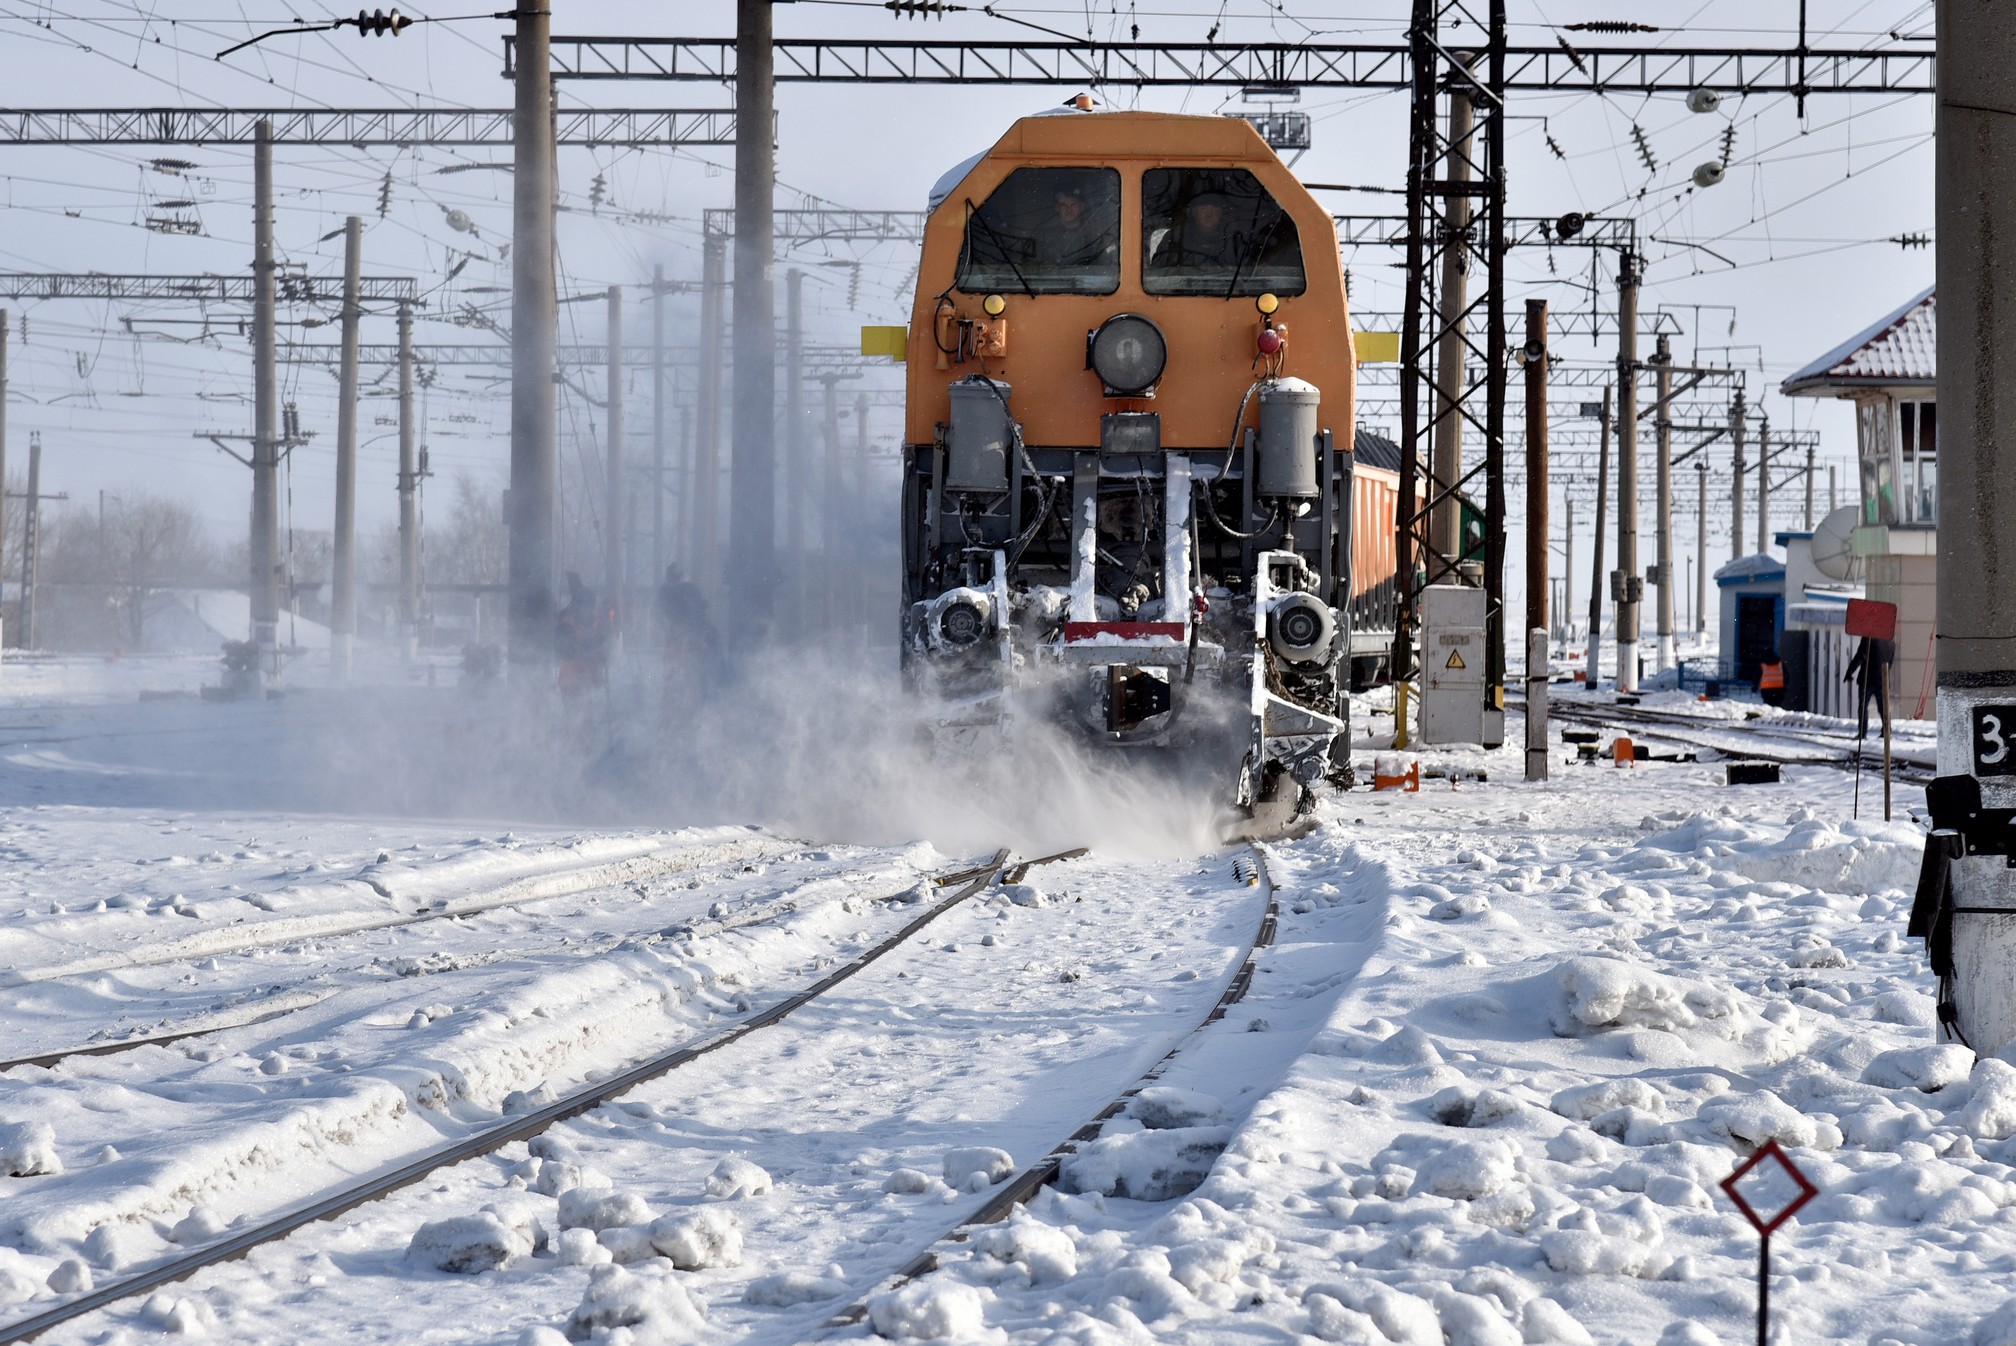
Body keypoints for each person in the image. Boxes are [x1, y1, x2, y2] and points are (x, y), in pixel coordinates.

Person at [554, 571, 610, 698]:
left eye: (590, 605)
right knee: (576, 716)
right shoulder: (566, 624)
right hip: (571, 683)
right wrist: (588, 647)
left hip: (588, 682)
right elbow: (563, 650)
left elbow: (602, 646)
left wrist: (601, 653)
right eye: (585, 605)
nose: (588, 610)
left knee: (586, 716)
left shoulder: (595, 623)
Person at [1036, 182, 1112, 268]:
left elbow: (1104, 265)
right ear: (1057, 208)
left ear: (1082, 207)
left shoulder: (1094, 235)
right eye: (1063, 205)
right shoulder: (1046, 235)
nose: (1069, 210)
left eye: (1073, 205)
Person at [1152, 193, 1238, 269]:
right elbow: (1158, 270)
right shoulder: (1175, 237)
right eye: (1203, 209)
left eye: (1214, 209)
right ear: (1194, 213)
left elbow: (1244, 274)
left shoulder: (1234, 240)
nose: (1209, 214)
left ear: (1221, 214)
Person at [1844, 635, 1895, 738]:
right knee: (1883, 708)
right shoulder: (1890, 641)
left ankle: (1862, 732)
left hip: (1867, 679)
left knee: (1863, 707)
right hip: (1882, 680)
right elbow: (1890, 662)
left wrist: (1850, 672)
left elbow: (1860, 656)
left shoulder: (1869, 637)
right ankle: (1887, 730)